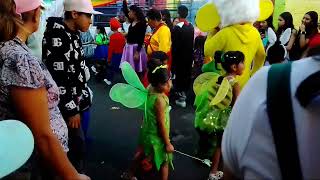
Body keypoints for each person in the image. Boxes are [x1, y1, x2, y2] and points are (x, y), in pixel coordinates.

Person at [0, 0, 89, 179]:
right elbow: (43, 136)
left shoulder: (8, 48)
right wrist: (74, 177)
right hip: (32, 164)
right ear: (33, 14)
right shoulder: (20, 59)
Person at [222, 46, 320, 179]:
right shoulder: (263, 81)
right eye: (243, 63)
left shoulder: (264, 81)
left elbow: (230, 171)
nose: (245, 65)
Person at [42, 0, 100, 172]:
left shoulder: (73, 33)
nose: (90, 21)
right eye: (88, 16)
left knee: (77, 146)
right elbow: (57, 78)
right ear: (74, 14)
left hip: (77, 100)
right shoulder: (56, 36)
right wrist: (71, 109)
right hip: (66, 107)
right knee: (73, 148)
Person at [193, 51, 244, 180]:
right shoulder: (235, 84)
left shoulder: (220, 78)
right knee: (221, 146)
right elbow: (236, 106)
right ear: (234, 67)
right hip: (227, 119)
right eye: (242, 63)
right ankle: (214, 172)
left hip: (216, 115)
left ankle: (216, 170)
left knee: (218, 144)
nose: (244, 65)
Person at [171, 5, 194, 108]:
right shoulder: (191, 26)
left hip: (179, 58)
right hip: (188, 57)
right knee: (186, 76)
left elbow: (175, 46)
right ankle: (183, 96)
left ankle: (181, 98)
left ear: (178, 14)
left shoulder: (177, 28)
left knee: (179, 77)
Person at [122, 0, 148, 77]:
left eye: (130, 12)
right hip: (129, 47)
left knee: (137, 69)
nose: (128, 13)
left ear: (134, 13)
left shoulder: (142, 23)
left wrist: (137, 52)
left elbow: (141, 38)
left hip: (136, 48)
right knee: (130, 69)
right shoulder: (132, 20)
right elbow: (125, 10)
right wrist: (124, 1)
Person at [106, 18, 126, 84]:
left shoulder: (112, 36)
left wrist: (108, 58)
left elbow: (110, 49)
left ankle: (109, 80)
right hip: (121, 55)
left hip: (114, 55)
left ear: (111, 26)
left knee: (111, 68)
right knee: (120, 69)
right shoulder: (122, 36)